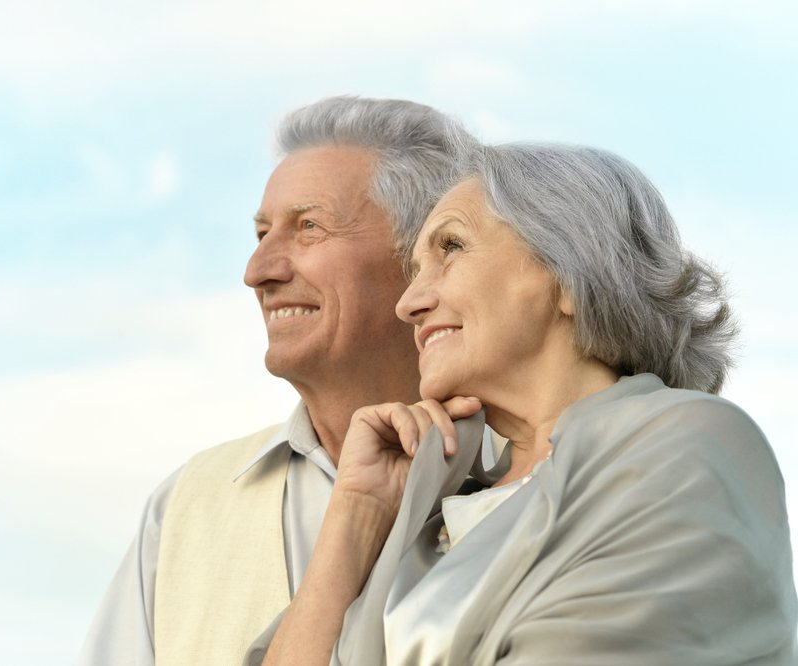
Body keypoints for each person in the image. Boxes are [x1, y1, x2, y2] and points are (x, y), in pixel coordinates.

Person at [256, 143, 797, 664]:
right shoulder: (425, 515)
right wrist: (358, 513)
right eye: (415, 270)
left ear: (569, 273)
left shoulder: (690, 443)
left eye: (450, 248)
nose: (409, 303)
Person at [77, 96, 483, 665]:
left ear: (425, 256)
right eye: (262, 233)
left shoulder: (545, 470)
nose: (258, 272)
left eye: (307, 227)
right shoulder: (184, 507)